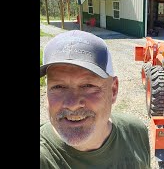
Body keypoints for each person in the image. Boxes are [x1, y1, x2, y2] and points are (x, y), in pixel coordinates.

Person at [40, 30, 150, 169]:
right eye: (58, 87)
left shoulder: (136, 133)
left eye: (88, 86)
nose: (72, 104)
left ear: (113, 90)